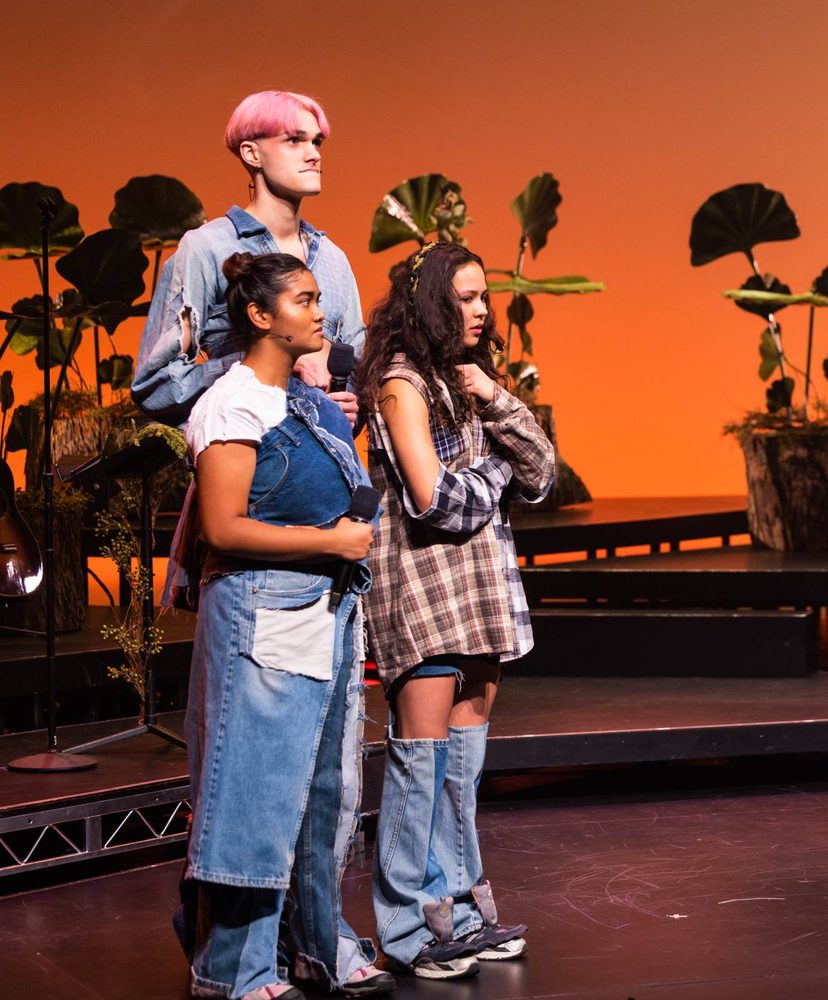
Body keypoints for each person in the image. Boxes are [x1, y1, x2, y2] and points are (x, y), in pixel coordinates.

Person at [180, 253, 393, 999]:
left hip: (320, 607)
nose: (320, 312)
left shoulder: (297, 400)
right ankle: (231, 966)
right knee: (257, 789)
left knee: (320, 790)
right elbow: (224, 527)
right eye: (304, 300)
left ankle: (310, 943)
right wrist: (331, 541)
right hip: (263, 606)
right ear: (262, 317)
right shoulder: (233, 403)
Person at [355, 241, 557, 979]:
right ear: (434, 302)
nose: (481, 310)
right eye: (466, 298)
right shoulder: (401, 383)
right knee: (420, 762)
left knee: (461, 768)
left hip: (477, 589)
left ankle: (460, 910)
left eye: (484, 297)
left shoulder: (468, 380)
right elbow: (434, 499)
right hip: (421, 586)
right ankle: (407, 926)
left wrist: (496, 402)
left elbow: (542, 472)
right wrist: (499, 469)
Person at [133, 90, 363, 428]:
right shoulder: (206, 247)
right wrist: (264, 365)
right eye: (294, 141)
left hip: (322, 460)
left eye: (317, 142)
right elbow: (155, 384)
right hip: (249, 457)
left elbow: (357, 365)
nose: (313, 154)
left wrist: (349, 404)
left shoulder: (334, 260)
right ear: (251, 153)